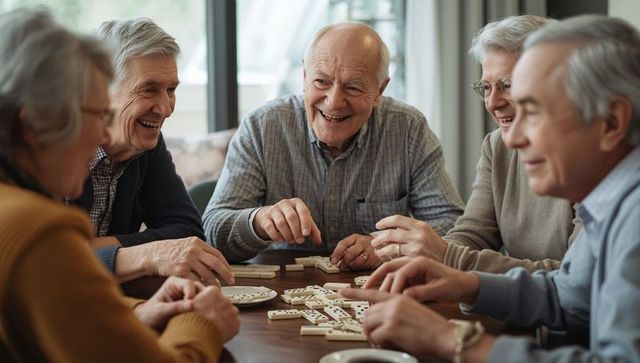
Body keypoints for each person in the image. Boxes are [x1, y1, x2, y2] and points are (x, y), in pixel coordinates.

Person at [342, 14, 640, 362]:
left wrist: (454, 340)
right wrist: (467, 283)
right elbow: (570, 295)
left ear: (611, 122)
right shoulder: (612, 200)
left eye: (533, 111)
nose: (510, 137)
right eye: (488, 88)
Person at [0, 8, 239, 362]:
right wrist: (199, 322)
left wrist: (137, 312)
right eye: (93, 115)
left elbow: (57, 317)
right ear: (34, 125)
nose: (101, 134)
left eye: (171, 90)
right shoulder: (35, 228)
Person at [203, 21, 464, 270]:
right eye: (321, 82)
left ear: (379, 90)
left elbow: (453, 226)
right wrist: (258, 222)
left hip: (379, 295)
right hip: (280, 293)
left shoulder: (408, 129)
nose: (333, 102)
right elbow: (213, 231)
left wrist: (385, 246)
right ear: (305, 76)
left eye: (352, 87)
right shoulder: (263, 126)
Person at [371, 15, 581, 273]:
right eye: (486, 87)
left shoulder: (593, 157)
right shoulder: (497, 146)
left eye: (507, 85)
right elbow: (473, 234)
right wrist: (426, 259)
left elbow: (577, 280)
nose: (492, 103)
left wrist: (448, 257)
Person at [69, 18, 233, 285]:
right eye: (149, 89)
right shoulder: (50, 151)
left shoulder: (146, 146)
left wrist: (94, 248)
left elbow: (187, 233)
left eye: (170, 90)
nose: (165, 109)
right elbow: (36, 261)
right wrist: (141, 254)